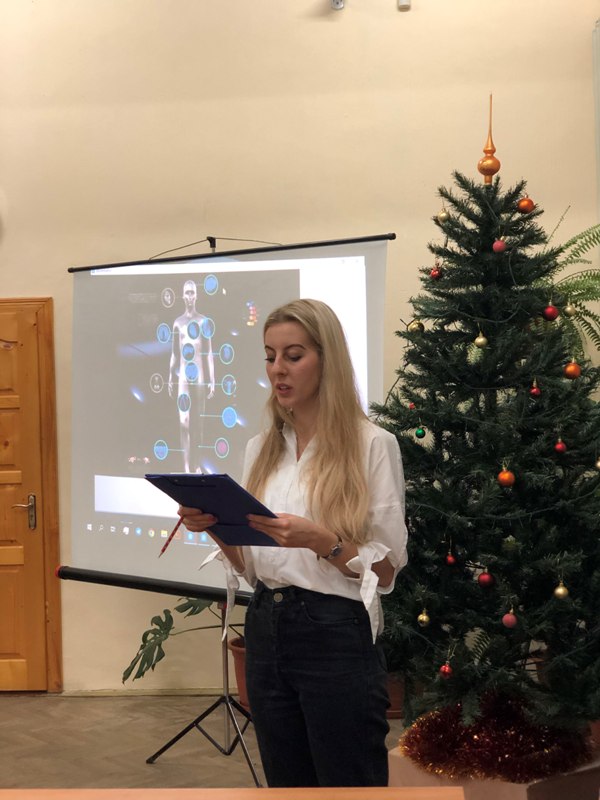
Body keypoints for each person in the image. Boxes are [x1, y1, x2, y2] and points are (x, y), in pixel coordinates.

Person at [179, 299, 408, 787]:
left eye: (293, 355)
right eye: (270, 356)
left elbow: (385, 572)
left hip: (335, 632)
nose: (277, 369)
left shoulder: (372, 444)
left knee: (349, 783)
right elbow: (251, 568)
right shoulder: (261, 449)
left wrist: (324, 543)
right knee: (287, 784)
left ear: (328, 360)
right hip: (265, 625)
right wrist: (214, 524)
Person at [168, 279, 215, 472]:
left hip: (200, 376)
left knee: (198, 425)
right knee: (184, 422)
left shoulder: (203, 321)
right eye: (186, 292)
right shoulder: (177, 323)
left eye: (192, 293)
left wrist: (212, 379)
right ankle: (187, 468)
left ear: (196, 295)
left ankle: (195, 466)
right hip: (183, 377)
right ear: (182, 295)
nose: (189, 296)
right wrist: (170, 376)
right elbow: (174, 353)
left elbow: (209, 352)